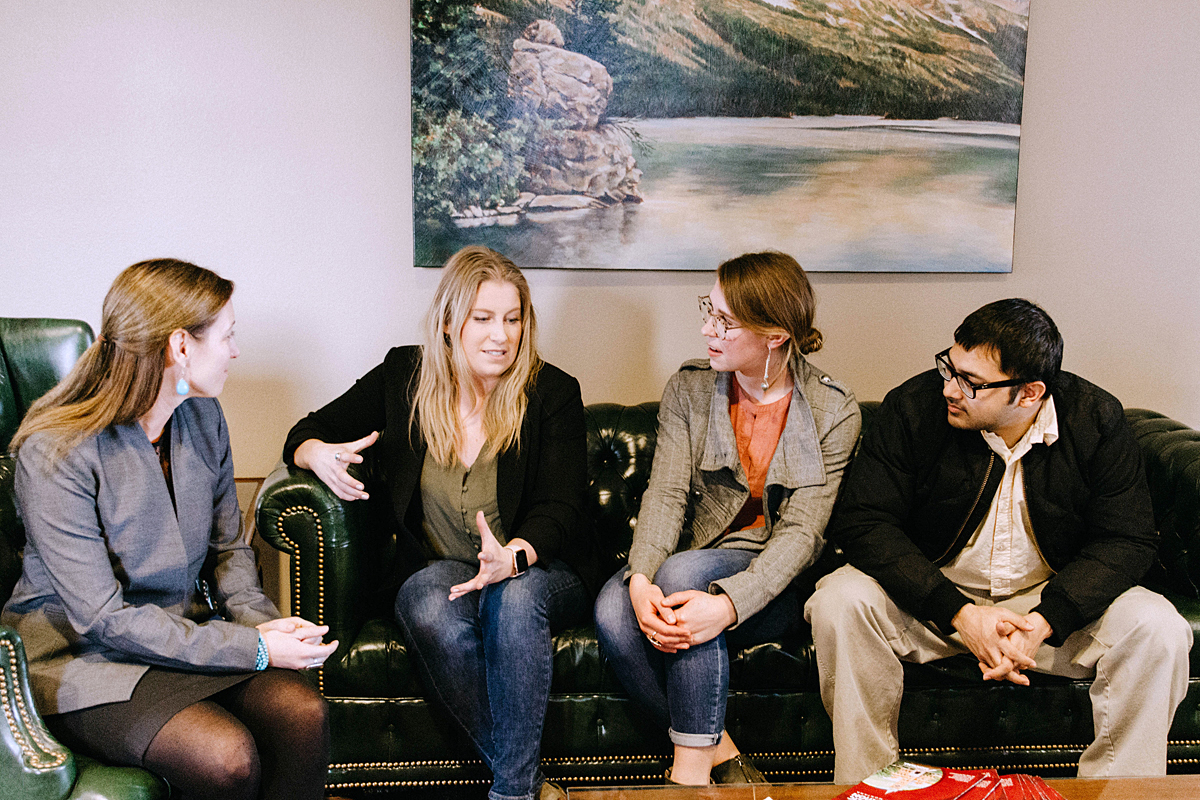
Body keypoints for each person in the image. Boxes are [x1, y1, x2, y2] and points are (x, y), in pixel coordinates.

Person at [805, 298, 1194, 785]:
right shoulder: (911, 408)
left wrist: (1045, 621)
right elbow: (865, 523)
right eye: (949, 367)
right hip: (933, 599)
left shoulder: (1096, 418)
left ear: (1029, 393)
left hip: (1048, 604)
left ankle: (1119, 793)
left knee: (1158, 627)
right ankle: (870, 787)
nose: (949, 389)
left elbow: (1127, 539)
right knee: (839, 600)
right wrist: (960, 614)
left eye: (971, 382)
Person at [2, 259, 335, 800]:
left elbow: (228, 551)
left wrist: (267, 628)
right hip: (84, 658)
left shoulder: (203, 417)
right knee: (225, 757)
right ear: (180, 346)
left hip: (185, 636)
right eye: (227, 336)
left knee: (302, 713)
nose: (235, 351)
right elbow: (104, 619)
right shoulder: (56, 451)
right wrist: (253, 647)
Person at [283, 245, 595, 800]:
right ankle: (526, 782)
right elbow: (306, 431)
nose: (501, 336)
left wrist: (513, 556)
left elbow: (561, 508)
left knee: (514, 598)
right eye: (483, 318)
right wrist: (315, 454)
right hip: (442, 567)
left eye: (513, 319)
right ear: (450, 323)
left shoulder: (552, 391)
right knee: (425, 603)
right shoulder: (404, 376)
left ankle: (512, 793)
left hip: (537, 566)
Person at [594, 251, 861, 785]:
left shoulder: (834, 410)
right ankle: (725, 755)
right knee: (613, 610)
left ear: (775, 336)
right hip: (695, 557)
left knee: (682, 576)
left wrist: (728, 606)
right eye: (708, 312)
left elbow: (802, 535)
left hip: (776, 578)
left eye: (725, 322)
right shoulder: (689, 388)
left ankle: (688, 777)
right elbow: (666, 494)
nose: (706, 330)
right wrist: (640, 578)